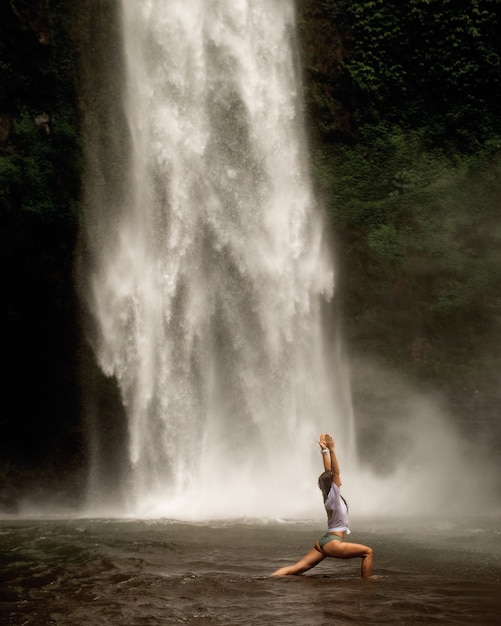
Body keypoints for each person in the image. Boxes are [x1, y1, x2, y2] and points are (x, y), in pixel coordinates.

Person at [272, 433, 373, 579]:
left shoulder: (329, 496)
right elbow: (335, 472)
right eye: (336, 479)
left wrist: (324, 451)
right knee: (368, 552)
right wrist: (332, 450)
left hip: (323, 542)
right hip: (333, 543)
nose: (339, 479)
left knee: (297, 569)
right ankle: (367, 584)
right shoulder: (333, 495)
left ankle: (266, 579)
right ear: (332, 483)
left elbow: (328, 473)